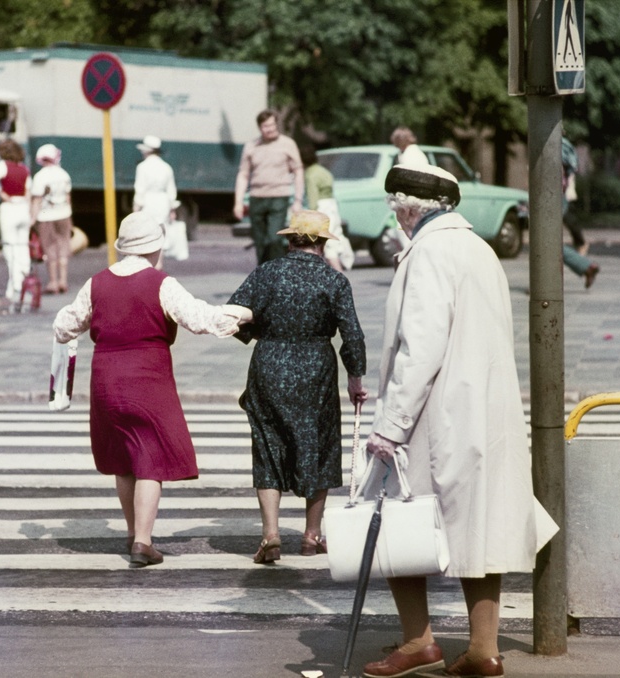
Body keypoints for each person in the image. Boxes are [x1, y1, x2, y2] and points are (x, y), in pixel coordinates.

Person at [362, 164, 555, 678]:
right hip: (484, 411)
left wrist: (390, 425)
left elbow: (419, 349)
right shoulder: (481, 249)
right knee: (480, 527)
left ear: (408, 208)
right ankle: (483, 649)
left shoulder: (427, 253)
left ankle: (418, 642)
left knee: (396, 522)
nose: (397, 220)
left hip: (435, 414)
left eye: (397, 210)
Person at [53, 212, 252, 568]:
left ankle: (133, 533)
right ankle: (143, 542)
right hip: (147, 376)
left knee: (123, 459)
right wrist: (242, 315)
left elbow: (65, 325)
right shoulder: (161, 283)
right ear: (155, 248)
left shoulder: (96, 282)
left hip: (105, 378)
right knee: (150, 459)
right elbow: (198, 318)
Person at [228, 210, 367, 563]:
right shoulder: (334, 281)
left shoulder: (267, 273)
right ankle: (311, 535)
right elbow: (351, 333)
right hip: (315, 366)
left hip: (269, 362)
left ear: (290, 240)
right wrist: (355, 377)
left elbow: (235, 315)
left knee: (268, 444)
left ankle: (271, 534)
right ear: (321, 243)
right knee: (317, 445)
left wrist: (260, 332)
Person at [233, 110, 304, 264]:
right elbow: (243, 174)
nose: (270, 129)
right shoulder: (251, 146)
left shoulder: (287, 144)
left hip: (279, 196)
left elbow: (298, 171)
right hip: (257, 197)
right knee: (260, 242)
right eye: (266, 126)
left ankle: (277, 275)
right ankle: (264, 276)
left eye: (272, 125)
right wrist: (238, 203)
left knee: (274, 239)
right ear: (260, 128)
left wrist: (297, 200)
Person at [0, 139, 32, 303]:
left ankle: (15, 286)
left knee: (10, 247)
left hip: (9, 207)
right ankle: (24, 281)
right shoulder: (24, 169)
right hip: (23, 208)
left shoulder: (2, 166)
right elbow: (28, 192)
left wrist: (2, 194)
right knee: (23, 247)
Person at [300, 145, 355, 272]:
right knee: (333, 239)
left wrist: (308, 217)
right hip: (332, 206)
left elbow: (313, 200)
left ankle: (338, 275)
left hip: (321, 208)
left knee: (326, 245)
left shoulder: (310, 175)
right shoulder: (323, 171)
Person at [30, 144, 73, 294]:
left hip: (46, 217)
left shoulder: (40, 176)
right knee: (63, 247)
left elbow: (36, 200)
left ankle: (53, 282)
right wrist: (70, 217)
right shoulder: (64, 174)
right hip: (64, 214)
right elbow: (68, 197)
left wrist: (32, 220)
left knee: (50, 249)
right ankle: (63, 281)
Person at [561, 138, 599, 288]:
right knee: (546, 241)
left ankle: (586, 266)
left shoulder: (554, 144)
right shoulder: (563, 145)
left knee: (545, 241)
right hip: (557, 195)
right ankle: (586, 266)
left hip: (552, 196)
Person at [133, 134, 178, 234]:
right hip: (163, 202)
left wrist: (136, 209)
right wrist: (172, 209)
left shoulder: (142, 167)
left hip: (148, 202)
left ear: (146, 151)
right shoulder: (166, 167)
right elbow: (171, 190)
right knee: (162, 232)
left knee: (147, 233)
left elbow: (140, 190)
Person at [560, 137, 588, 254]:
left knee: (567, 216)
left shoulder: (563, 145)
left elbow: (571, 165)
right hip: (559, 187)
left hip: (563, 188)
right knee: (565, 216)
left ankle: (580, 242)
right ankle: (580, 242)